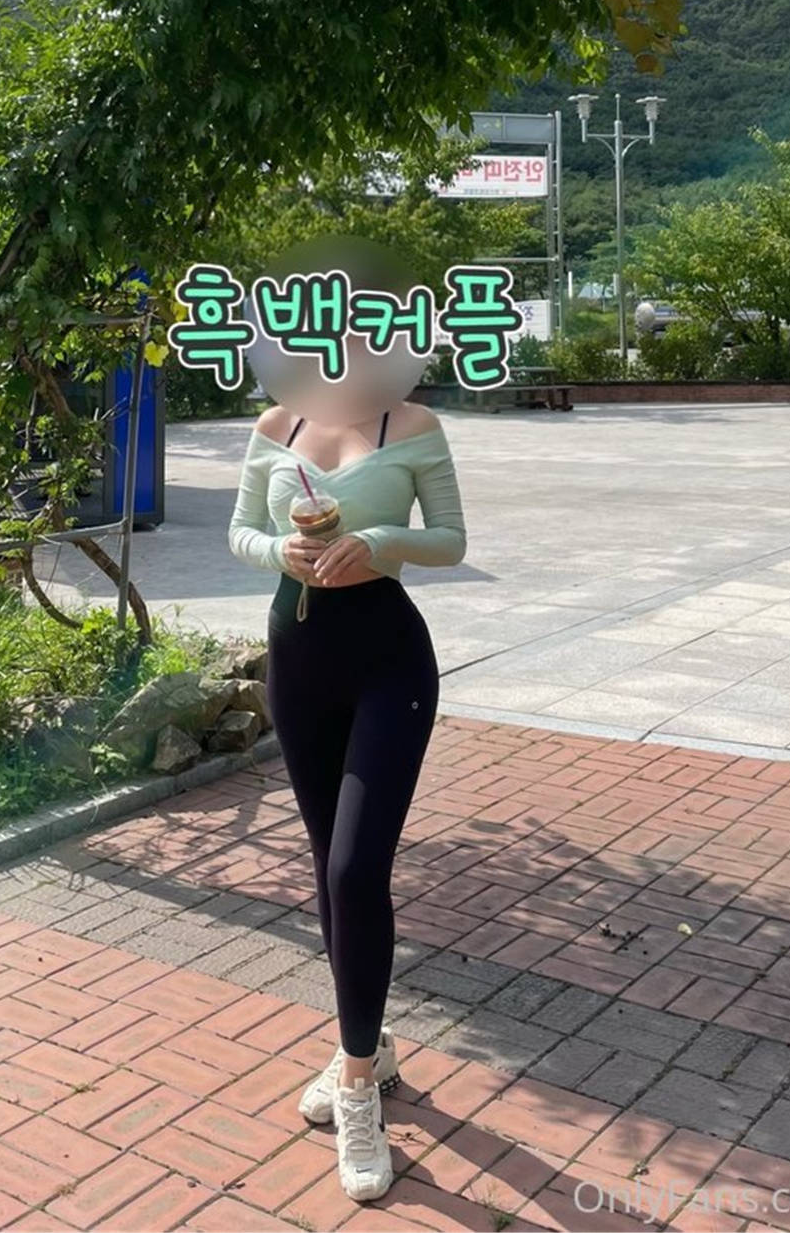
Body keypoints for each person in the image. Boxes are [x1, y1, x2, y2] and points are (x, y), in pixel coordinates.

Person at [228, 387, 467, 1202]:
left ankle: (358, 1088)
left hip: (389, 661)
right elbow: (240, 530)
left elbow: (452, 539)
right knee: (329, 863)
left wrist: (378, 539)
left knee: (357, 869)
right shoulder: (276, 425)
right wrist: (279, 551)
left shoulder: (414, 424)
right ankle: (365, 1044)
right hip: (298, 660)